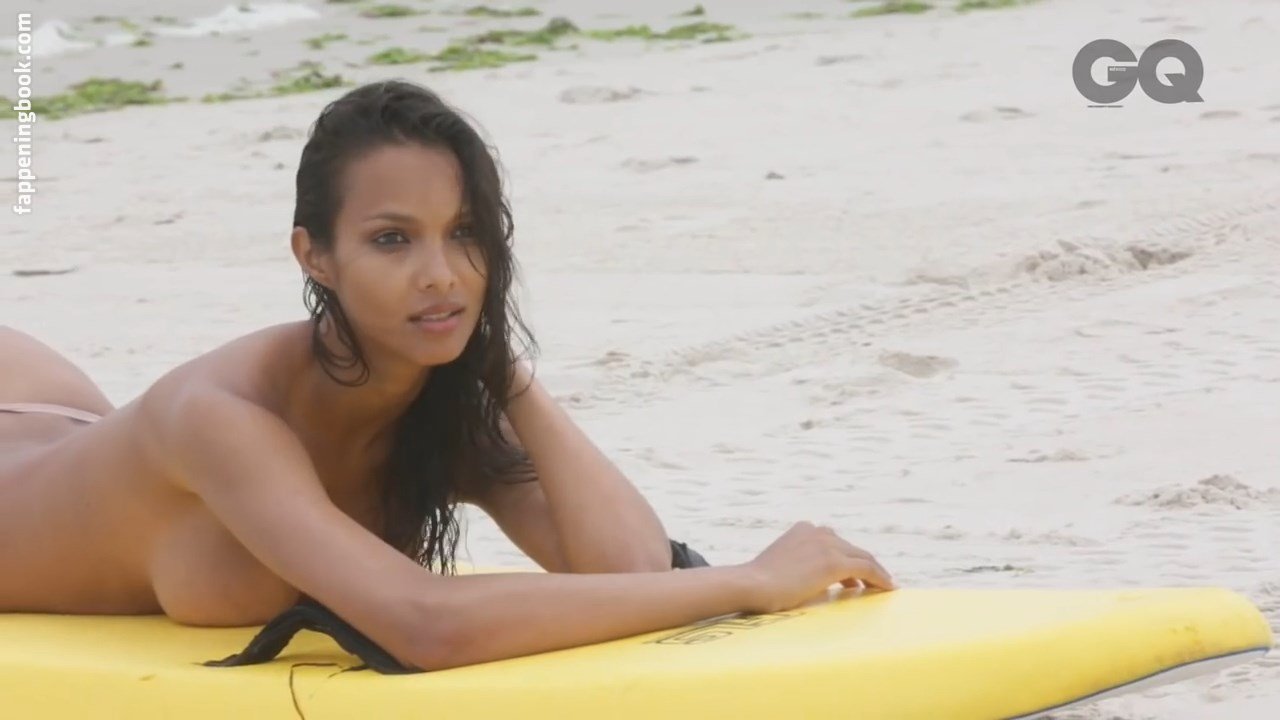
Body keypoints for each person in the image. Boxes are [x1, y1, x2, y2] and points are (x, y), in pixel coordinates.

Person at [0, 79, 895, 673]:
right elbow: (424, 623)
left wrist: (504, 370)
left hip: (64, 430)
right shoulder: (222, 416)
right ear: (315, 257)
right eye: (393, 239)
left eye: (466, 233)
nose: (442, 275)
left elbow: (622, 567)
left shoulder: (438, 403)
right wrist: (748, 580)